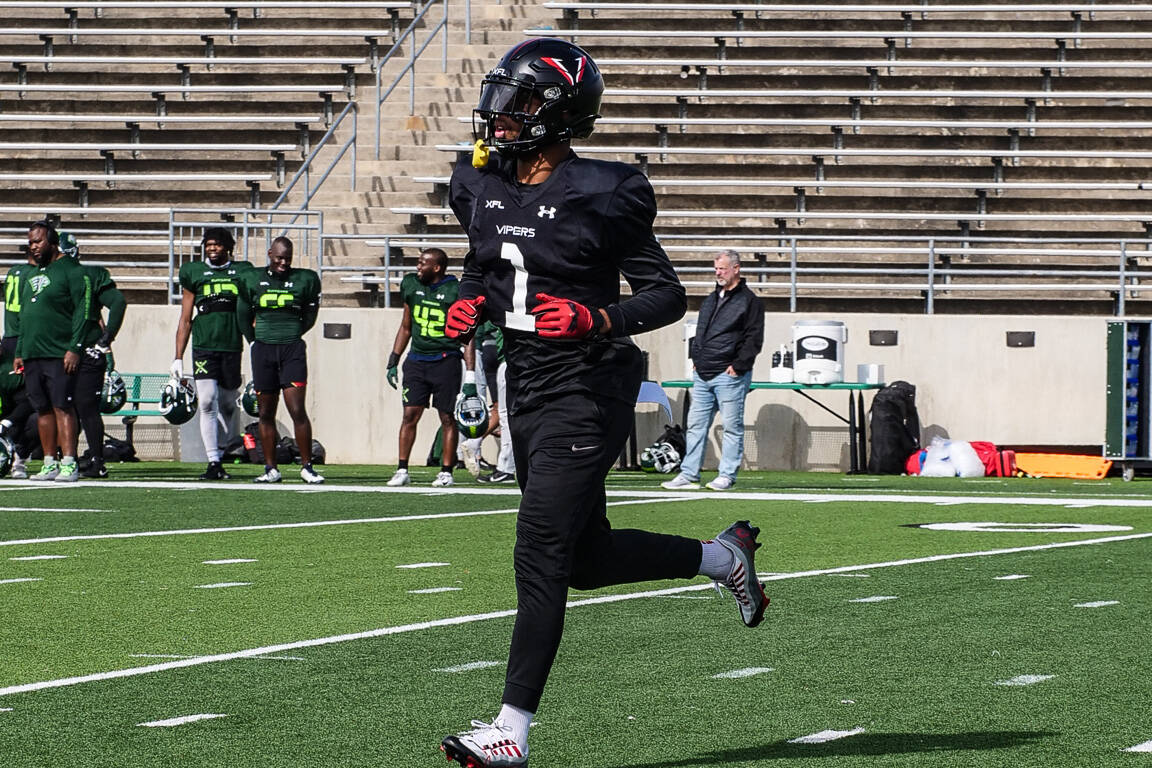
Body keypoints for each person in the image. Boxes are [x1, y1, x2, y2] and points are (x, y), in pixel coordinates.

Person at [437, 38, 769, 768]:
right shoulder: (478, 181)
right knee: (584, 560)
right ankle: (722, 559)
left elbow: (666, 294)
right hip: (524, 381)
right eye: (502, 94)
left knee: (540, 550)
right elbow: (487, 267)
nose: (500, 111)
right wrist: (470, 306)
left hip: (587, 384)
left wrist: (596, 317)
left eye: (520, 99)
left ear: (558, 114)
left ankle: (511, 732)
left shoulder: (605, 191)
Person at [662, 250, 765, 491]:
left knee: (731, 427)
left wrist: (738, 367)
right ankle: (689, 474)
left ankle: (727, 475)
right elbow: (701, 332)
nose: (718, 272)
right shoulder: (711, 298)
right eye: (716, 268)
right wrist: (696, 359)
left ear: (736, 269)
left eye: (722, 268)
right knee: (695, 425)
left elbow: (753, 338)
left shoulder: (749, 301)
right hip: (703, 373)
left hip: (729, 376)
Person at [236, 236, 324, 485]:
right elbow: (243, 315)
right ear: (269, 254)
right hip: (263, 349)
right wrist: (254, 340)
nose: (284, 263)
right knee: (265, 412)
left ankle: (307, 466)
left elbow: (309, 316)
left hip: (291, 349)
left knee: (297, 409)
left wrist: (290, 334)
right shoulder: (252, 278)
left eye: (288, 258)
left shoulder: (304, 279)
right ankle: (270, 467)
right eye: (279, 258)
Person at [385, 247, 475, 489]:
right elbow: (406, 326)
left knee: (447, 417)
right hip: (416, 360)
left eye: (423, 263)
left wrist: (471, 373)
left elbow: (468, 334)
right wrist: (394, 359)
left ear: (436, 267)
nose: (418, 266)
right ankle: (402, 468)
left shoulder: (454, 290)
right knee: (409, 415)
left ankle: (446, 471)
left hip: (445, 359)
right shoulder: (411, 285)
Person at [173, 227, 255, 480]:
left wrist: (255, 341)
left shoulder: (243, 271)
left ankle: (223, 449)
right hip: (204, 344)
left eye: (217, 244)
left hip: (231, 344)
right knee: (207, 400)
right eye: (208, 244)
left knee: (229, 402)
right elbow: (186, 318)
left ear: (227, 246)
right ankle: (213, 460)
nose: (212, 248)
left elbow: (251, 310)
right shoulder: (194, 273)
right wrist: (177, 356)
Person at [13, 221, 89, 482]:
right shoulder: (32, 275)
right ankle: (49, 462)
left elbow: (83, 311)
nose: (33, 246)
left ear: (52, 242)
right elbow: (25, 316)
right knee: (42, 408)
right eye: (30, 242)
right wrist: (20, 350)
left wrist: (75, 348)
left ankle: (69, 461)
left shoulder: (72, 271)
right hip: (33, 352)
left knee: (62, 406)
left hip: (59, 352)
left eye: (38, 241)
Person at [61, 232, 127, 479]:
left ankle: (72, 459)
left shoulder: (88, 275)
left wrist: (105, 339)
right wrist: (104, 341)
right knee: (79, 407)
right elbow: (118, 303)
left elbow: (118, 303)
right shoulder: (83, 274)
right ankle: (83, 459)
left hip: (68, 349)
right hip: (79, 349)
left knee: (76, 407)